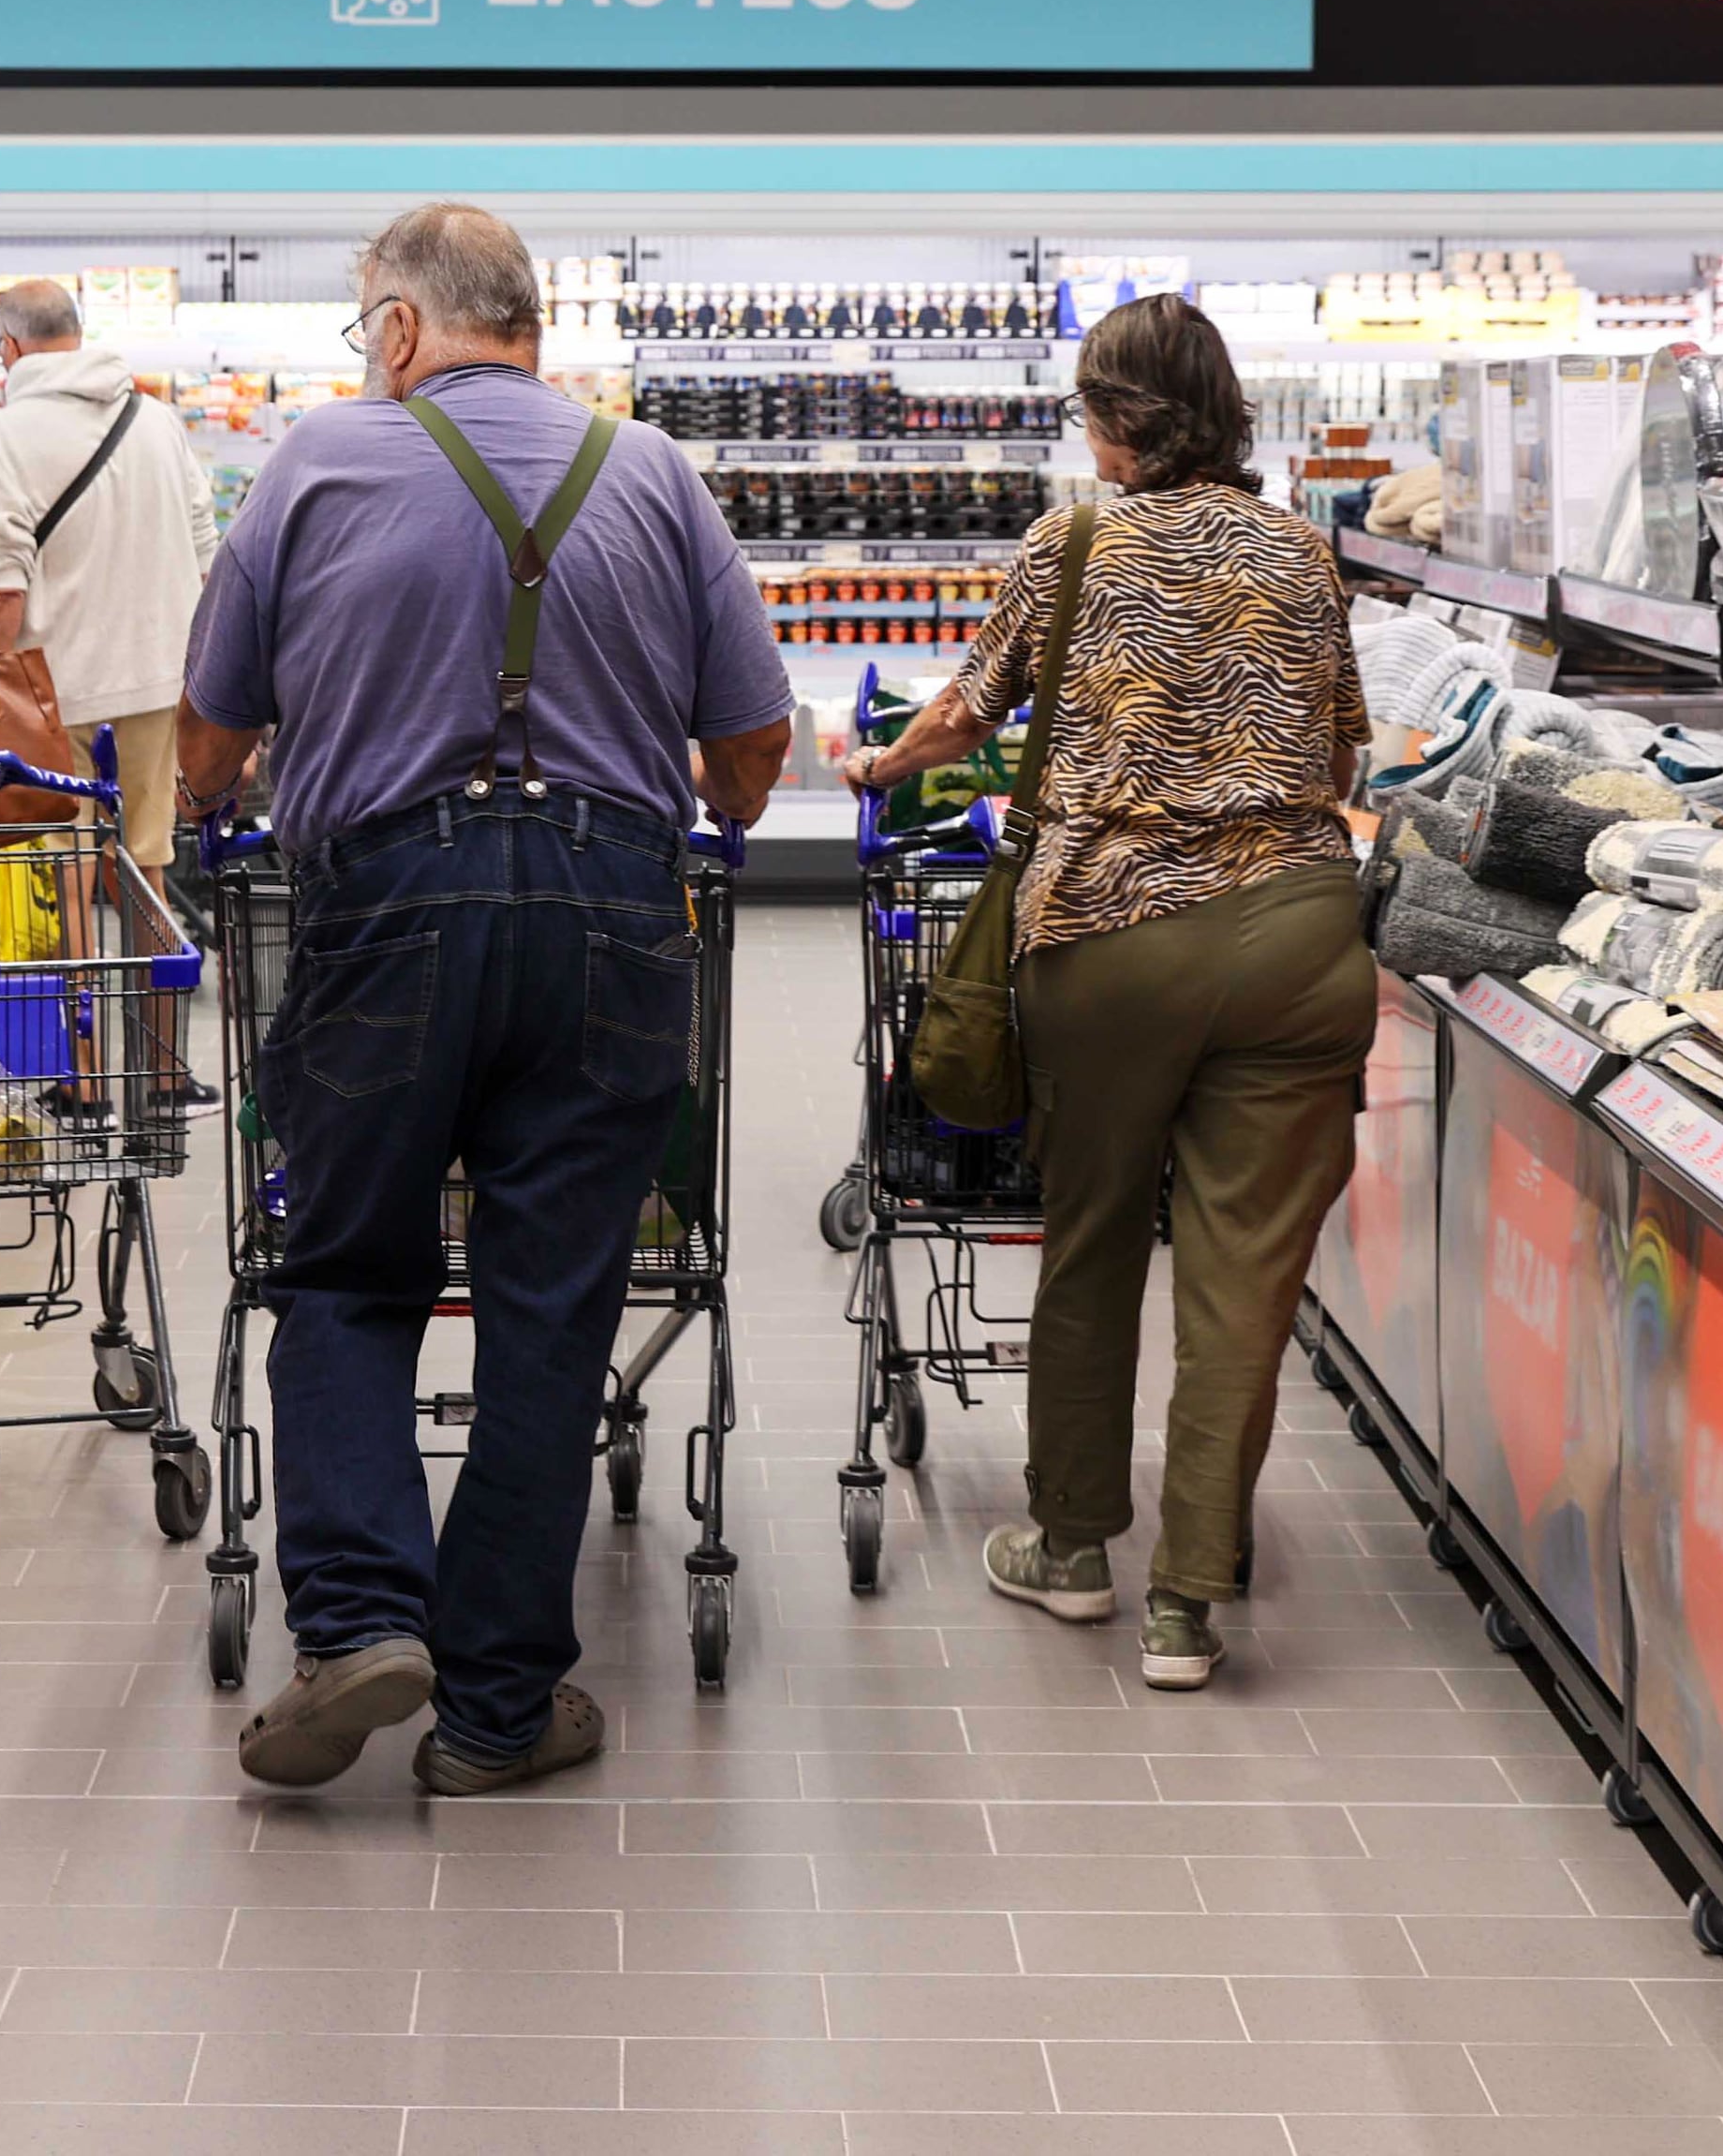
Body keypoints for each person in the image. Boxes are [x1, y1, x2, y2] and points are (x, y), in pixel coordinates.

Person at [181, 201, 791, 1795]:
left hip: (382, 907)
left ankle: (366, 1618)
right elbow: (751, 758)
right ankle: (502, 1709)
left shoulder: (316, 463)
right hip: (609, 914)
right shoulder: (653, 470)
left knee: (350, 1269)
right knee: (549, 1304)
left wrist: (297, 743)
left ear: (396, 330)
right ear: (529, 324)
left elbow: (203, 742)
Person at [844, 291, 1377, 1694]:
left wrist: (881, 770)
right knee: (1242, 1280)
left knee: (1088, 1245)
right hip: (1300, 936)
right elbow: (1342, 754)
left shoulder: (1071, 542)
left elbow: (966, 710)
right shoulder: (1302, 553)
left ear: (1115, 418)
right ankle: (1191, 1604)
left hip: (1112, 936)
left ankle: (1073, 1547)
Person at [0, 277, 219, 887]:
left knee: (69, 851)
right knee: (146, 855)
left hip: (58, 686)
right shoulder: (156, 420)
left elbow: (2, 588)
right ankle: (160, 986)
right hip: (157, 675)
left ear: (13, 347)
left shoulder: (1, 438)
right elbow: (205, 554)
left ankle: (84, 984)